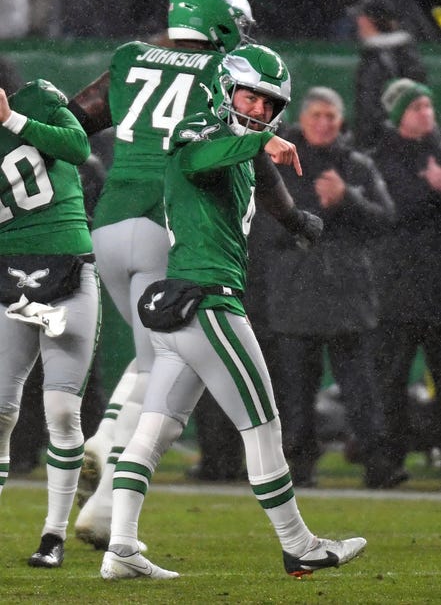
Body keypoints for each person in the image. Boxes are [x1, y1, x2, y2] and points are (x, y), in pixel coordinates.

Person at [99, 43, 366, 581]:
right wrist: (261, 139)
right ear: (225, 89)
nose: (260, 111)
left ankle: (121, 549)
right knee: (263, 427)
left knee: (154, 433)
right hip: (209, 303)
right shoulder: (200, 131)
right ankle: (300, 545)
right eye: (252, 97)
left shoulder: (240, 147)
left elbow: (257, 180)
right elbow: (199, 158)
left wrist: (295, 221)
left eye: (270, 105)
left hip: (184, 311)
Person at [68, 0, 257, 550]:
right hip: (165, 221)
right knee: (169, 363)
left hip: (108, 222)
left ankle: (102, 437)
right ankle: (106, 510)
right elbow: (242, 147)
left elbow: (74, 122)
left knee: (153, 356)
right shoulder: (226, 74)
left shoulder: (129, 58)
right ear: (221, 22)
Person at [256, 86, 399, 489]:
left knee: (362, 391)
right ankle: (299, 468)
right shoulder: (279, 164)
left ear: (341, 121)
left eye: (331, 117)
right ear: (302, 119)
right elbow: (266, 227)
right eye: (316, 115)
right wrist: (317, 217)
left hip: (347, 295)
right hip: (294, 293)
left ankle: (379, 464)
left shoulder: (356, 166)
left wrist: (347, 198)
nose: (323, 124)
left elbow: (386, 220)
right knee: (296, 391)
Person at [0, 78, 100, 567]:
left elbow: (78, 145)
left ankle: (53, 535)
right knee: (0, 411)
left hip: (69, 269)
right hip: (8, 281)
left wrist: (11, 121)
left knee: (61, 411)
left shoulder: (37, 98)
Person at [370, 77, 441, 477]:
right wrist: (433, 190)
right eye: (417, 108)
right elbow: (395, 207)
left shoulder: (436, 148)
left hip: (435, 289)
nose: (427, 113)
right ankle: (388, 461)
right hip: (397, 290)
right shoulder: (383, 156)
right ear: (400, 116)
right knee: (389, 381)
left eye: (429, 106)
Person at [349, 0, 427, 151]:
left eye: (361, 16)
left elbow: (376, 110)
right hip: (381, 147)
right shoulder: (383, 53)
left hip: (390, 150)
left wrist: (375, 142)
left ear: (370, 19)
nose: (358, 21)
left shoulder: (393, 56)